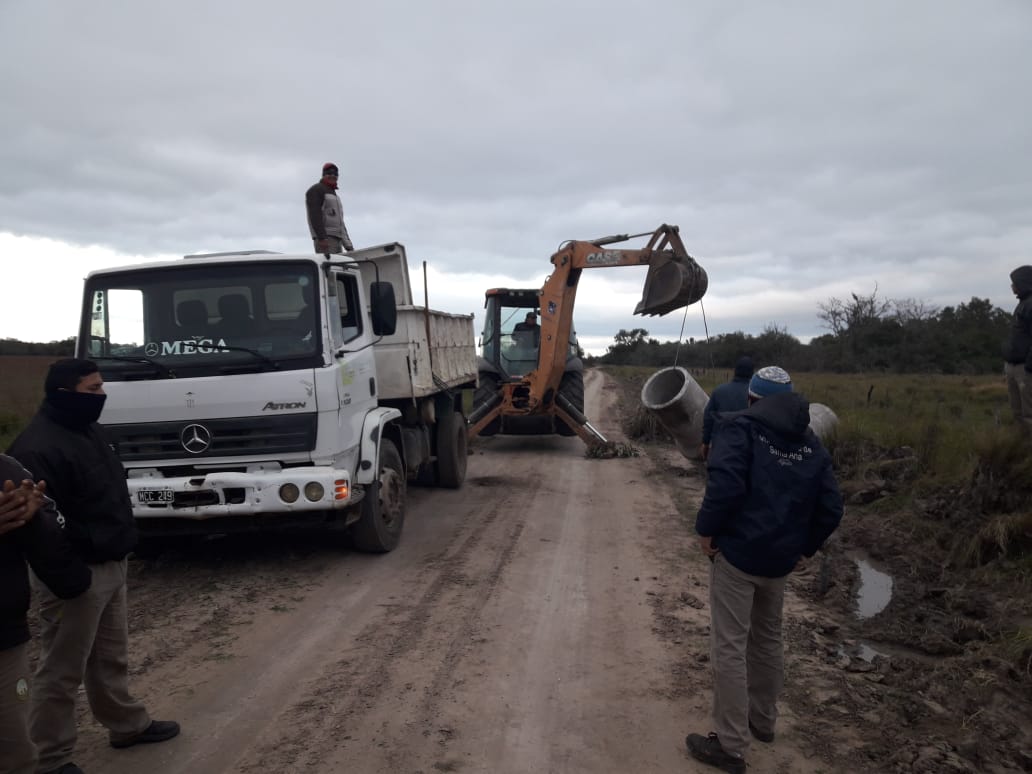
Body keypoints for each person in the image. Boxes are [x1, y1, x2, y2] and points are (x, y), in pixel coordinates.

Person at [7, 358, 180, 774]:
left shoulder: (86, 431)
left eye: (102, 388)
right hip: (75, 574)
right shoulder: (35, 448)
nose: (101, 396)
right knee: (61, 670)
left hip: (110, 562)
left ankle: (126, 724)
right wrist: (72, 579)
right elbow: (41, 525)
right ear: (65, 393)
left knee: (109, 657)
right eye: (93, 389)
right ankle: (50, 757)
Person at [686, 366, 843, 774]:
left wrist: (706, 531)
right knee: (768, 639)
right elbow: (831, 508)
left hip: (738, 557)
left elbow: (725, 486)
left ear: (751, 399)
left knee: (730, 646)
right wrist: (803, 548)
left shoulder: (739, 430)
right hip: (780, 562)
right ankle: (763, 721)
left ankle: (731, 746)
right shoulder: (810, 443)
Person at [1, 458, 92, 774]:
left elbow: (50, 545)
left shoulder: (6, 471)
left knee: (17, 754)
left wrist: (33, 518)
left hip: (5, 642)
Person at [699, 356, 754, 461]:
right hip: (746, 448)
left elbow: (708, 418)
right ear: (752, 373)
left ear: (735, 371)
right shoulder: (755, 395)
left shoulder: (719, 391)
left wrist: (705, 442)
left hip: (720, 446)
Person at [1003, 265, 1032, 434]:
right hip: (1014, 367)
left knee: (1028, 414)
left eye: (1014, 283)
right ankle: (1021, 449)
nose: (1012, 287)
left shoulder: (1030, 305)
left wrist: (1029, 366)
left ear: (1024, 283)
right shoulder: (1023, 304)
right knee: (1018, 413)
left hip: (1025, 369)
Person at [305, 162, 354, 254]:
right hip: (326, 240)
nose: (333, 176)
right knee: (330, 266)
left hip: (337, 239)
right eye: (329, 173)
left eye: (335, 174)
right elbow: (315, 216)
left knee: (338, 267)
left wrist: (348, 245)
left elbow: (340, 223)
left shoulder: (335, 196)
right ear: (323, 175)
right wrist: (322, 238)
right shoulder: (316, 190)